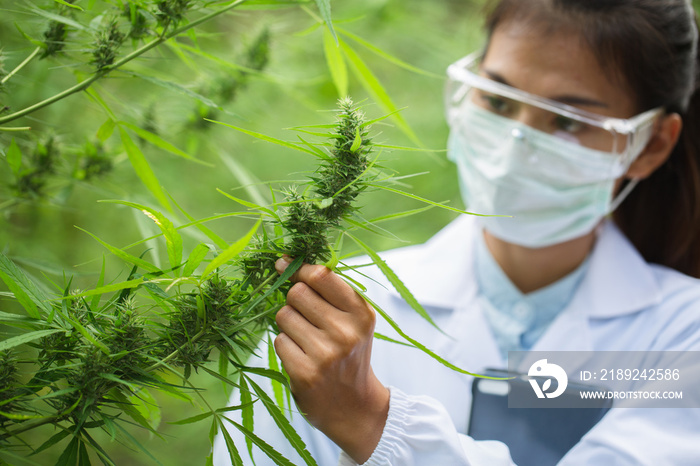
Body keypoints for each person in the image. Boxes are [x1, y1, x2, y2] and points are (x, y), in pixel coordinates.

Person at [213, 0, 700, 464]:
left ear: (651, 144)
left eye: (569, 122)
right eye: (498, 100)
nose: (514, 150)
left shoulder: (684, 337)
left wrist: (370, 421)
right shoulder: (332, 316)